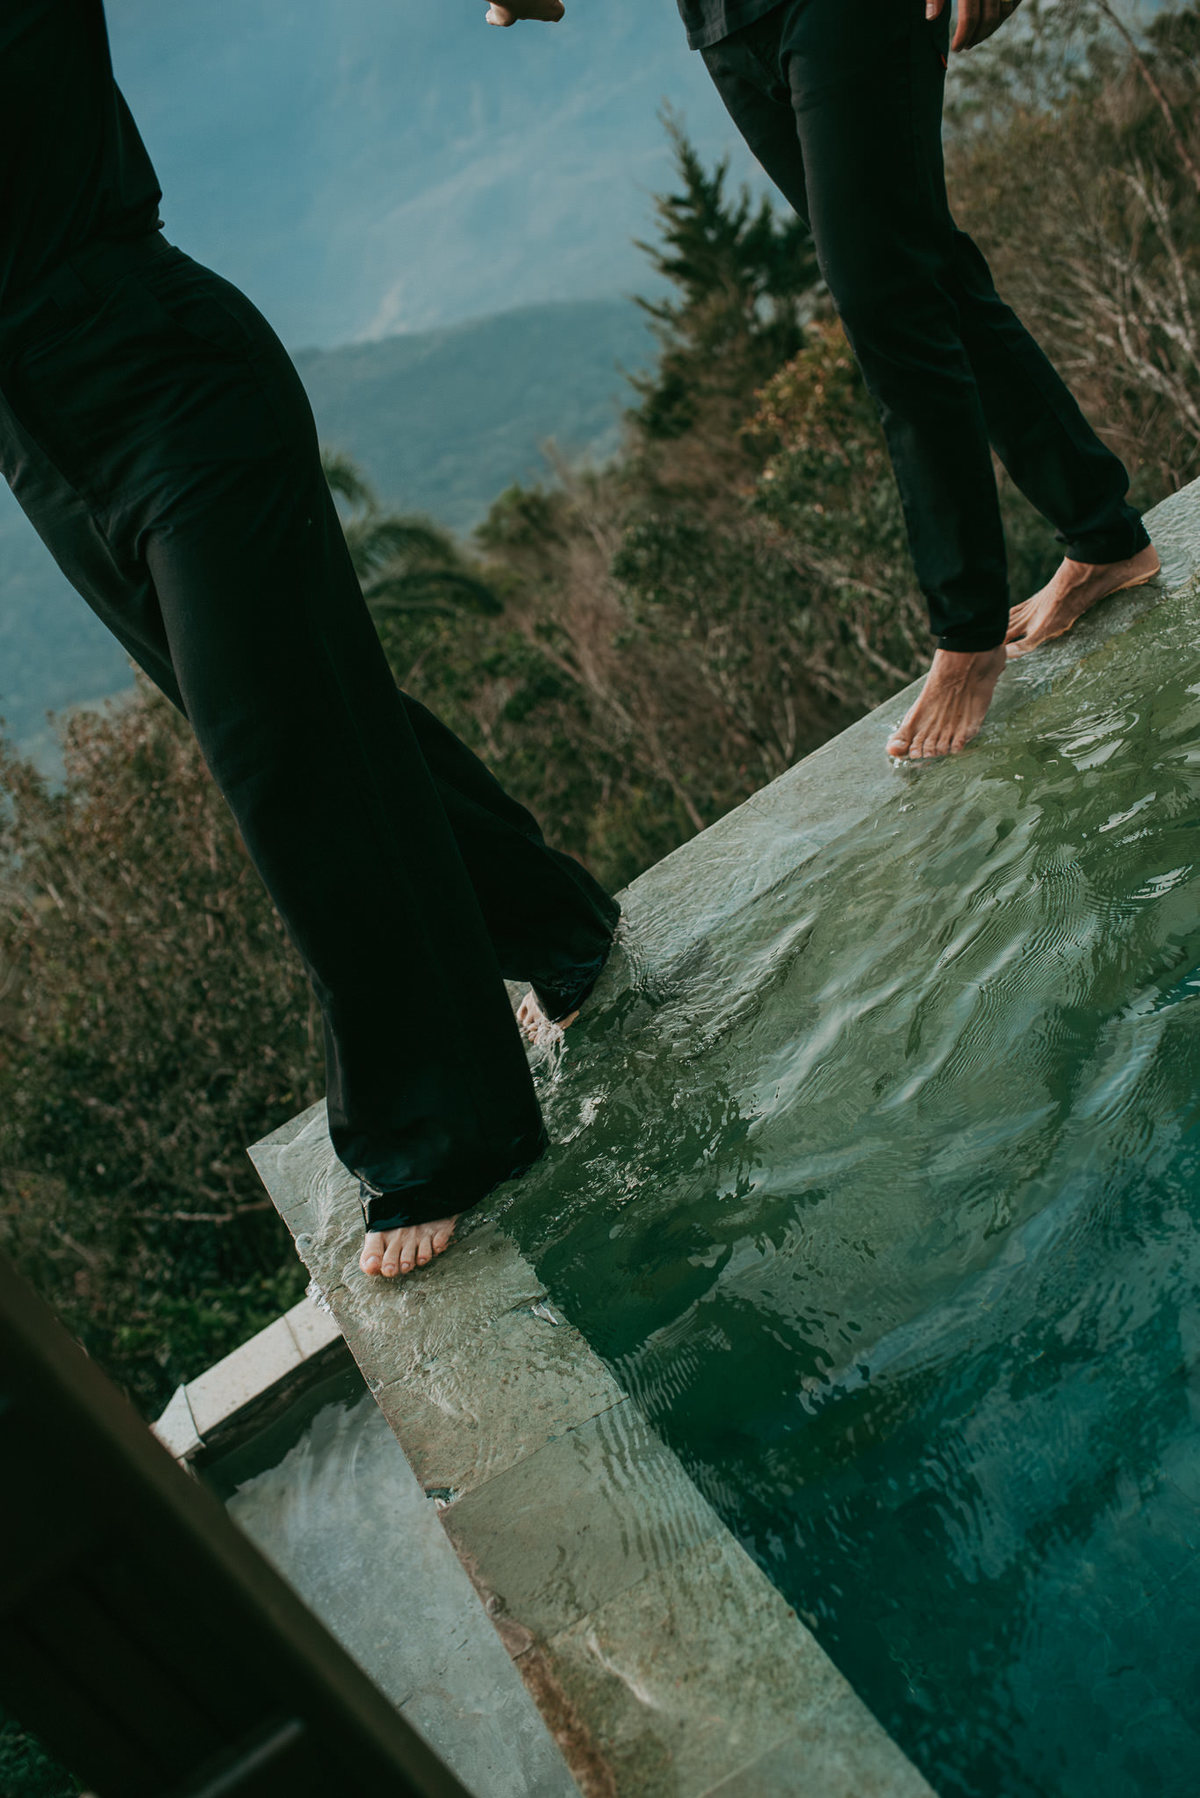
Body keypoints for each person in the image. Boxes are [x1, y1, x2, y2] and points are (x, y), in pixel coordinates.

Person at [0, 1, 620, 1282]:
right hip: (50, 464)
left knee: (277, 754)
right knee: (313, 711)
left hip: (172, 389)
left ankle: (445, 1129)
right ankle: (552, 922)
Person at [487, 0, 1160, 759]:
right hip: (729, 25)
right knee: (921, 266)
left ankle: (967, 633)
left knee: (885, 300)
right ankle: (1103, 534)